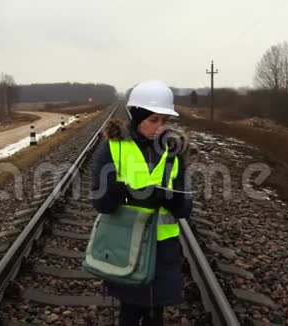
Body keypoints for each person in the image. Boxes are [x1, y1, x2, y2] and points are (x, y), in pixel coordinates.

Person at [91, 80, 192, 326]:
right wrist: (119, 190)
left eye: (164, 121)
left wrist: (173, 199)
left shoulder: (172, 152)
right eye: (154, 120)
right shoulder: (113, 148)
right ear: (137, 117)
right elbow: (101, 204)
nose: (160, 127)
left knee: (155, 314)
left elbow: (185, 209)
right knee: (129, 312)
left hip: (163, 249)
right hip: (126, 246)